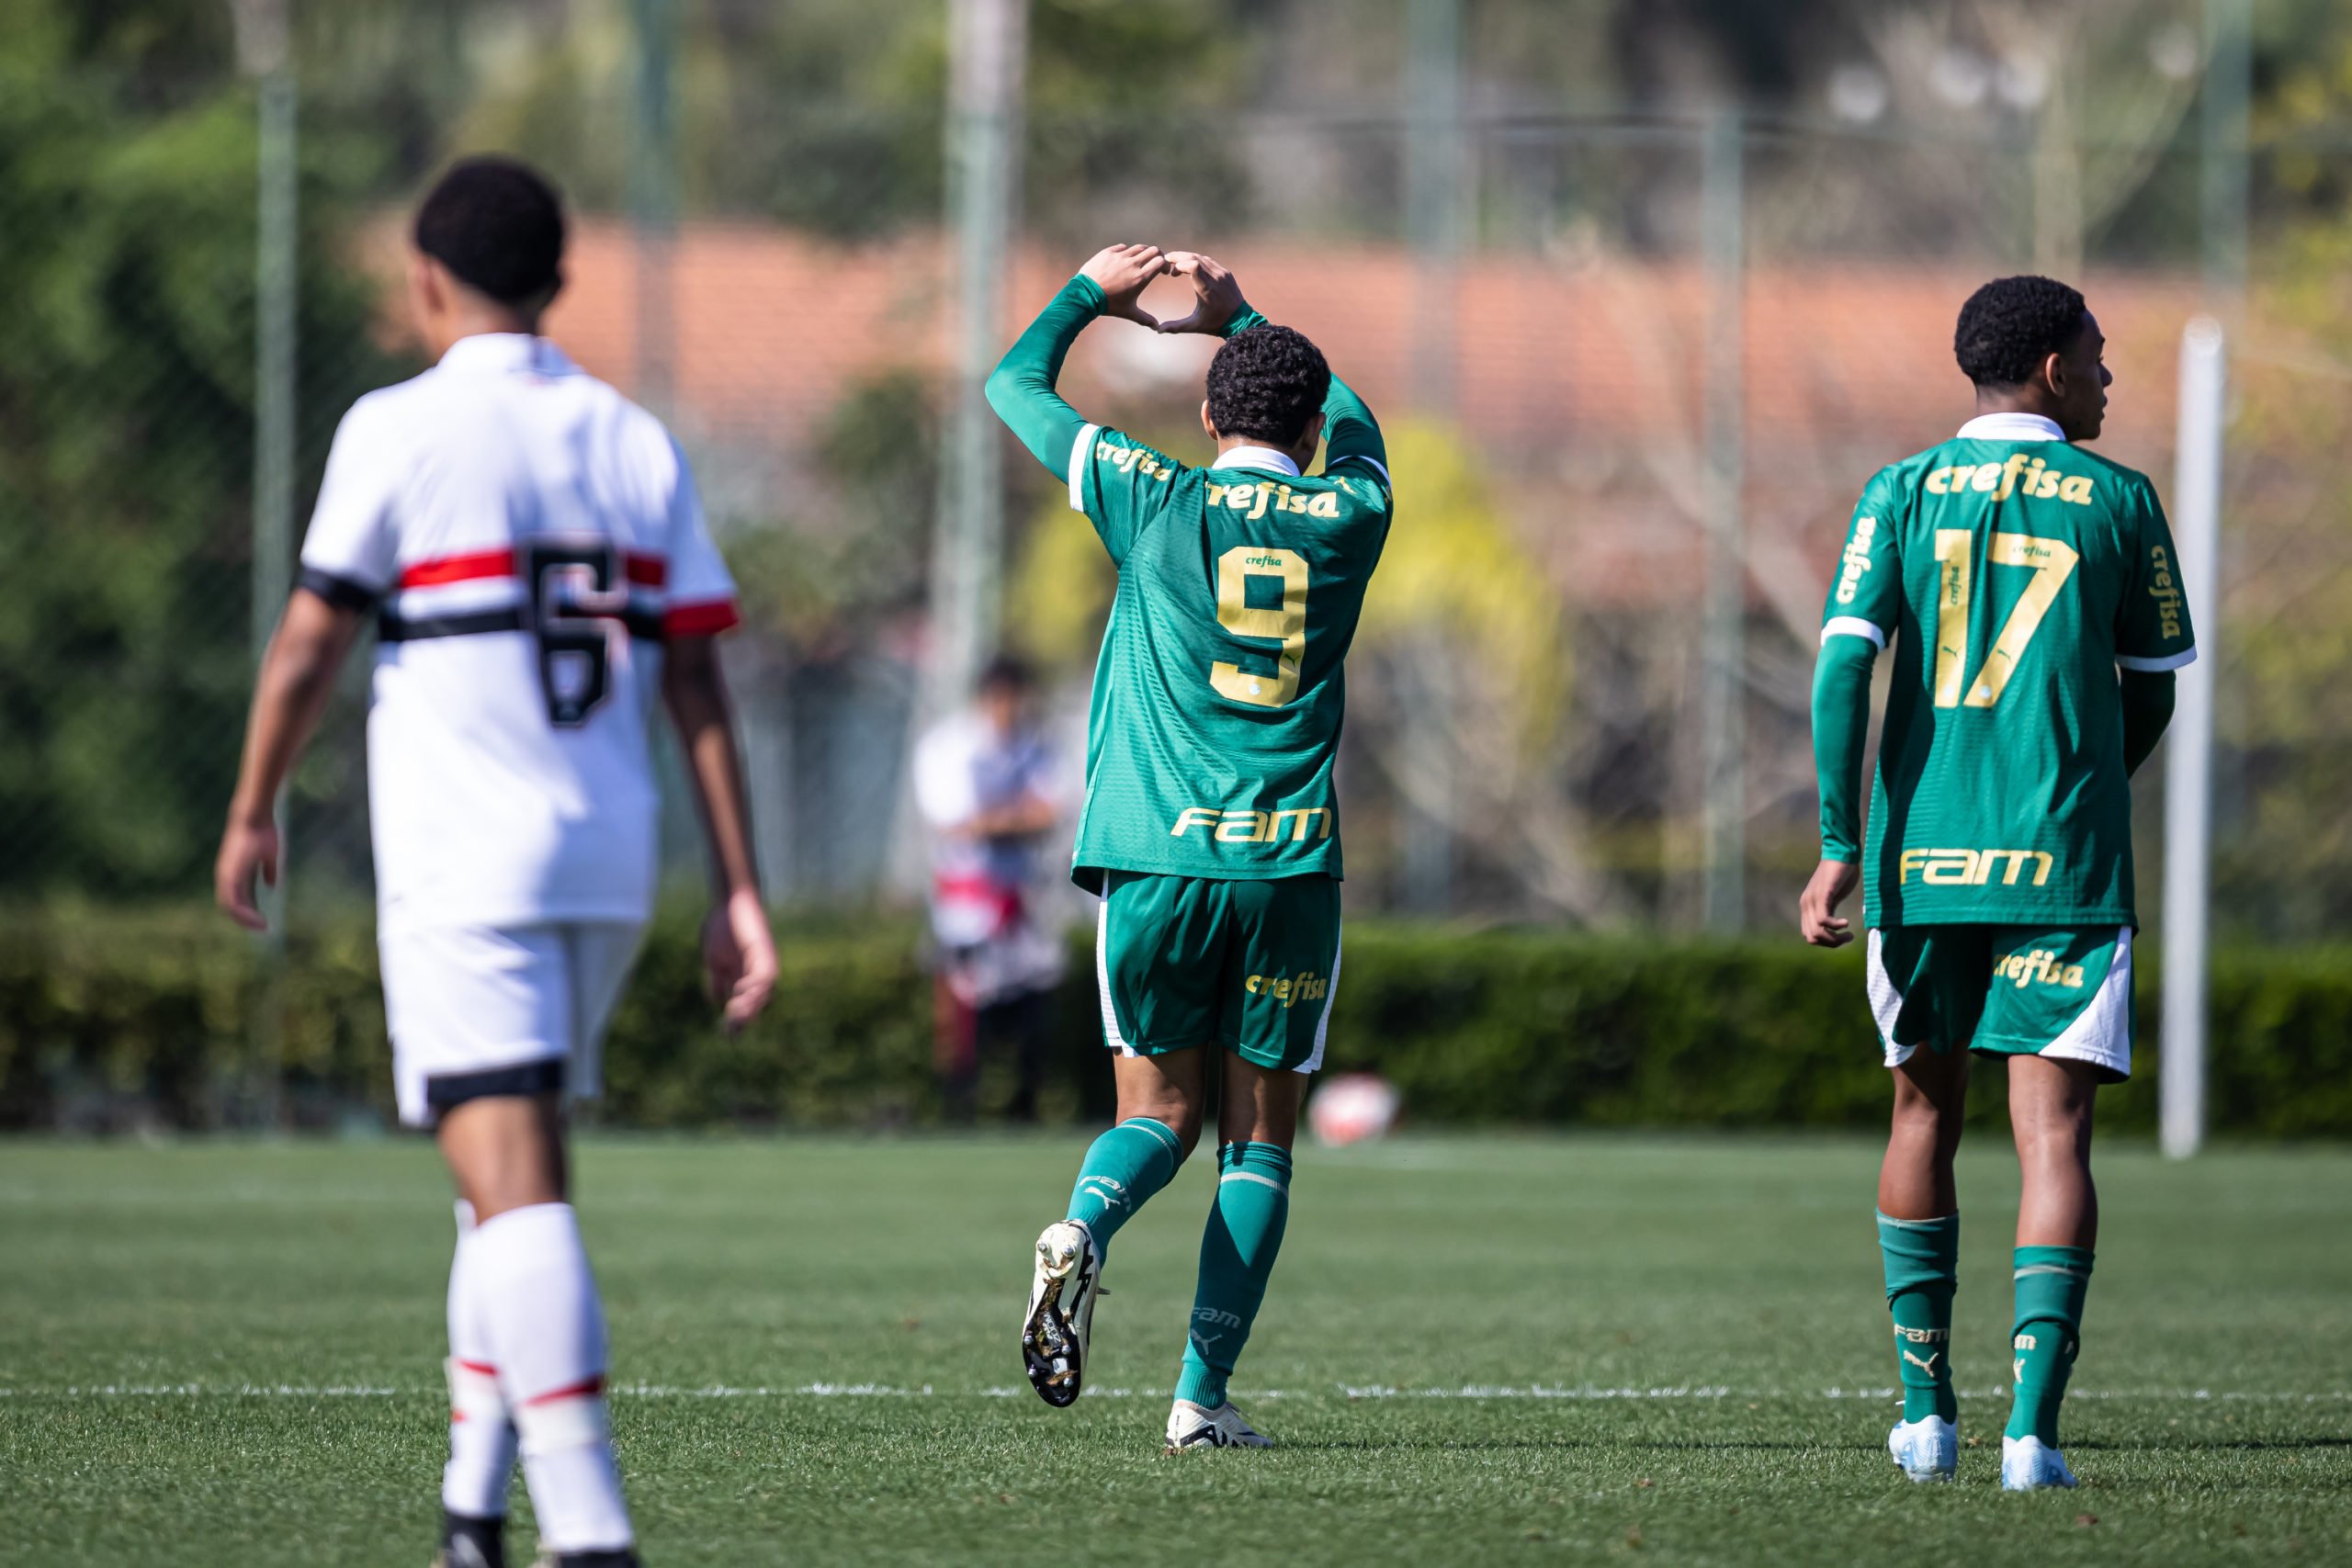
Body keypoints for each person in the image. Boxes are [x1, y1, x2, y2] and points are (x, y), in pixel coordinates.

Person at [214, 155, 778, 1568]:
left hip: (470, 863)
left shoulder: (396, 427)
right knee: (503, 1166)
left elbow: (309, 640)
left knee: (516, 1182)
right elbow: (698, 680)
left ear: (423, 280)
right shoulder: (632, 435)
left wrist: (252, 804)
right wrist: (739, 884)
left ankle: (588, 1530)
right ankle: (473, 1504)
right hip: (608, 856)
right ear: (560, 281)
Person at [985, 244, 1393, 1452]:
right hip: (1287, 866)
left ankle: (1084, 1227)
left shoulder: (1153, 494)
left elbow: (1013, 387)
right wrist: (1242, 316)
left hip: (1154, 857)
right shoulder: (1353, 510)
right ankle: (1198, 1399)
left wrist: (1090, 292)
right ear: (1309, 430)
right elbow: (1358, 421)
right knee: (1257, 1141)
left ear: (1209, 416)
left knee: (1156, 1117)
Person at [1800, 275, 2194, 1491]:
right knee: (2054, 1135)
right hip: (2065, 867)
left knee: (1921, 1117)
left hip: (1923, 862)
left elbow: (1841, 672)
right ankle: (2032, 1435)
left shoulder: (1900, 489)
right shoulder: (2122, 498)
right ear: (2053, 369)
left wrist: (1839, 840)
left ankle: (1927, 1418)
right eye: (2097, 354)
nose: (2109, 375)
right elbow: (2154, 687)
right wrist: (2082, 785)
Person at [912, 653, 1069, 1122]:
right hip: (967, 899)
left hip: (1023, 897)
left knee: (1033, 1001)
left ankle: (1025, 1103)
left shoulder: (1035, 744)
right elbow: (956, 823)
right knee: (965, 1003)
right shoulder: (950, 746)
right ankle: (958, 1104)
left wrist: (1001, 821)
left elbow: (1050, 811)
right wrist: (1015, 817)